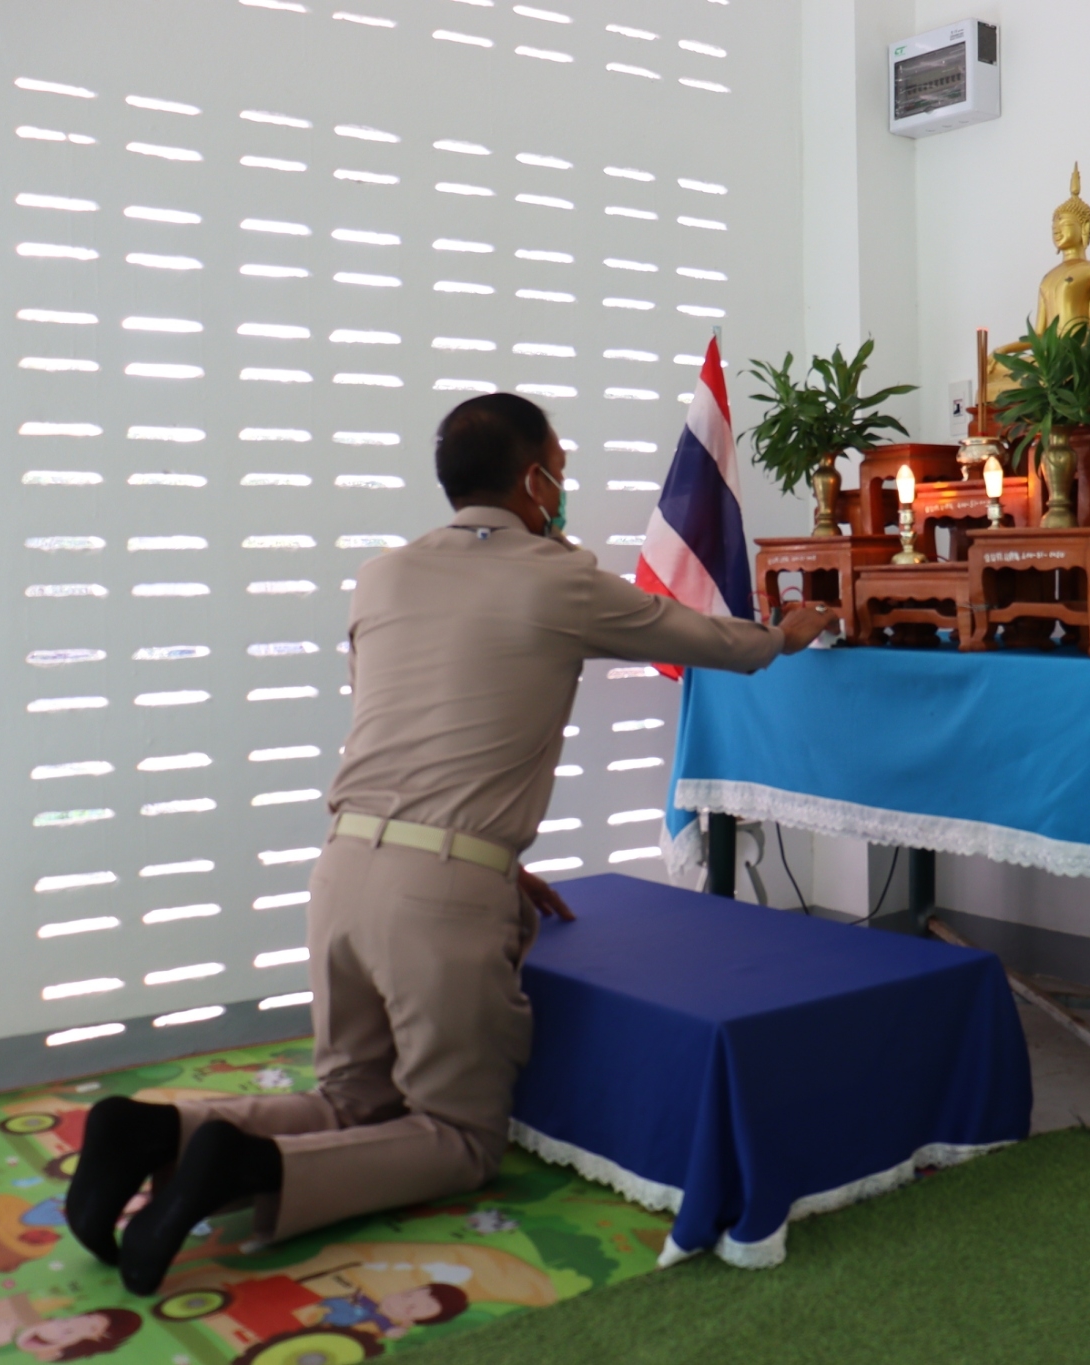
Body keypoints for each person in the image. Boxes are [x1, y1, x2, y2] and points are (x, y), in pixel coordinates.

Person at [65, 393, 837, 1293]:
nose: (564, 486)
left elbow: (412, 731)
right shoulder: (558, 578)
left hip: (342, 872)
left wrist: (489, 857)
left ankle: (153, 1131)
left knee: (352, 1096)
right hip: (439, 900)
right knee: (459, 1136)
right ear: (533, 479)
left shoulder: (382, 576)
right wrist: (784, 636)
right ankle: (244, 1165)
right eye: (561, 468)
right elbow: (703, 638)